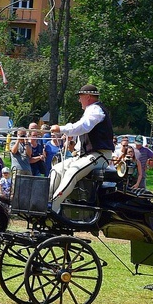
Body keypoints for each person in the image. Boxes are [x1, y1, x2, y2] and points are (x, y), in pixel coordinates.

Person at [49, 84, 114, 214]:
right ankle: (46, 200)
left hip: (100, 156)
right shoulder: (90, 111)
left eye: (80, 97)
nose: (79, 100)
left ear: (88, 97)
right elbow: (83, 133)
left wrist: (62, 128)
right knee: (56, 169)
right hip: (87, 156)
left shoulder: (95, 110)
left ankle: (53, 207)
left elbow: (84, 126)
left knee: (72, 172)